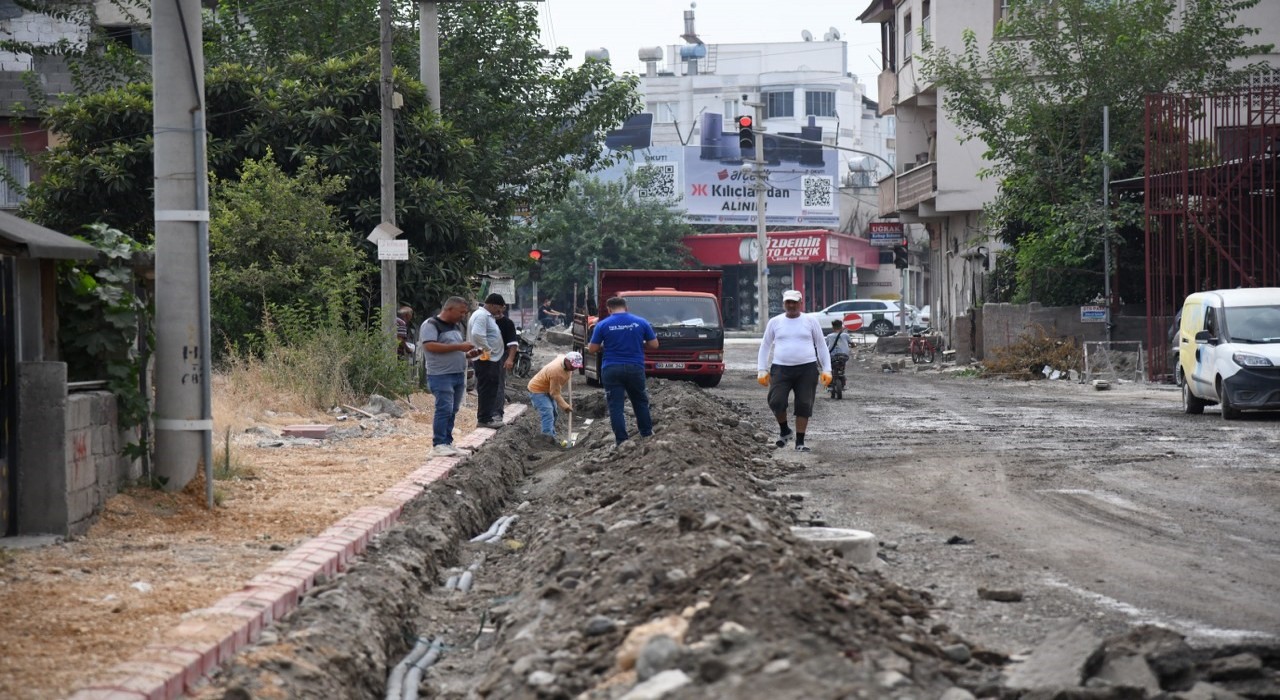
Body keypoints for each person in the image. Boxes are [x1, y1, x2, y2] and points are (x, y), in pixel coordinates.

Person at [757, 289, 832, 452]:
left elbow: (821, 345)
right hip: (781, 369)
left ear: (800, 303)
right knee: (776, 401)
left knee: (804, 404)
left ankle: (800, 441)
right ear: (784, 304)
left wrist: (827, 369)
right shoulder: (775, 322)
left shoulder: (810, 321)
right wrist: (761, 369)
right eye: (788, 302)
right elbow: (765, 345)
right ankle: (785, 430)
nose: (791, 305)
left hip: (807, 369)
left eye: (794, 302)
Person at [587, 296, 658, 445]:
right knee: (640, 402)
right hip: (635, 368)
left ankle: (621, 441)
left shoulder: (603, 324)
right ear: (626, 308)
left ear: (609, 309)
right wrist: (639, 343)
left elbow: (592, 349)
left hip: (611, 368)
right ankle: (646, 434)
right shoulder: (641, 322)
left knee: (616, 406)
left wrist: (605, 346)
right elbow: (654, 345)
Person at [420, 296, 478, 457]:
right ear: (449, 309)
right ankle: (438, 445)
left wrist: (468, 353)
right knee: (444, 409)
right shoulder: (431, 325)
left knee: (453, 409)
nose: (463, 316)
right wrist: (460, 346)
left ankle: (447, 442)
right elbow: (430, 345)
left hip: (457, 374)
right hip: (441, 375)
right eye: (461, 312)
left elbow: (454, 350)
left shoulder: (455, 326)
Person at [527, 351, 583, 447]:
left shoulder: (563, 360)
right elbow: (555, 393)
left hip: (548, 389)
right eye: (573, 365)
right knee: (548, 412)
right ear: (567, 361)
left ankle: (551, 437)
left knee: (554, 413)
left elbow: (560, 355)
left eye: (577, 366)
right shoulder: (557, 372)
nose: (575, 368)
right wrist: (566, 406)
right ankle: (546, 440)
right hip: (537, 390)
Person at [469, 293, 507, 429]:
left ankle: (487, 417)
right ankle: (485, 419)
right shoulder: (482, 316)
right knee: (487, 388)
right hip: (486, 359)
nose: (499, 312)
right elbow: (477, 334)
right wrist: (487, 349)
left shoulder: (486, 316)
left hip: (489, 358)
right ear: (492, 304)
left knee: (490, 387)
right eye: (499, 309)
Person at [494, 304, 520, 421]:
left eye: (499, 307)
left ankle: (497, 412)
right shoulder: (487, 320)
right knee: (485, 384)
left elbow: (513, 343)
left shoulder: (507, 323)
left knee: (499, 383)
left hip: (501, 355)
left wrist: (510, 359)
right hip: (486, 356)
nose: (497, 310)